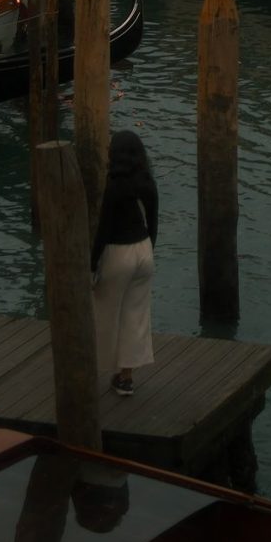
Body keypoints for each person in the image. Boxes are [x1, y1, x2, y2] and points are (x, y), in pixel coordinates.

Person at [92, 130, 158, 395]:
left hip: (118, 253)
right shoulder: (148, 182)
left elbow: (104, 231)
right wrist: (147, 251)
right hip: (144, 250)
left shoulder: (114, 186)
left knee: (104, 313)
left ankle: (95, 369)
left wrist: (91, 263)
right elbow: (153, 224)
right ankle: (126, 378)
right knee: (136, 315)